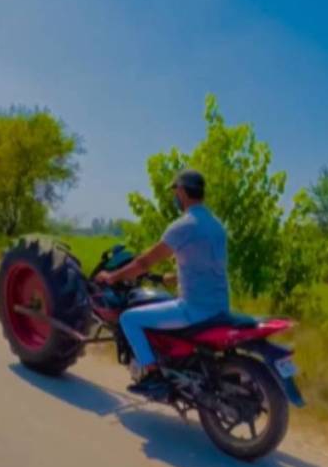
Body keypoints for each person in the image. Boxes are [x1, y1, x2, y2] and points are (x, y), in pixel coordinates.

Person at [94, 169, 230, 395]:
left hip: (193, 309)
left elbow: (144, 263)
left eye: (176, 191)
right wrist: (173, 277)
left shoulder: (184, 226)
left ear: (183, 191)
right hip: (220, 307)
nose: (175, 196)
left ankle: (153, 374)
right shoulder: (217, 226)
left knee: (128, 319)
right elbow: (209, 265)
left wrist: (112, 276)